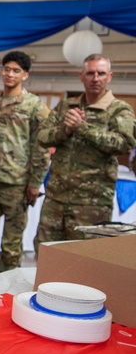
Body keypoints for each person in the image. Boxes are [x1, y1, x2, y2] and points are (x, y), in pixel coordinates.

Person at [35, 54, 135, 244]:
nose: (95, 78)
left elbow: (123, 143)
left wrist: (83, 128)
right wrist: (65, 130)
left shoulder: (119, 110)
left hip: (91, 203)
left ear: (110, 76)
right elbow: (41, 137)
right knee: (46, 254)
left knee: (84, 258)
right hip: (55, 198)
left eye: (101, 73)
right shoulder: (66, 106)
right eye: (90, 73)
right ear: (81, 76)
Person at [0, 51, 50, 273]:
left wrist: (35, 183)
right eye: (6, 69)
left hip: (17, 184)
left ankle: (8, 287)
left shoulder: (34, 106)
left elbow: (42, 147)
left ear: (25, 75)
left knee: (11, 244)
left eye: (16, 70)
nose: (10, 74)